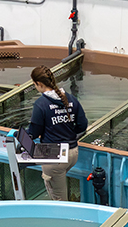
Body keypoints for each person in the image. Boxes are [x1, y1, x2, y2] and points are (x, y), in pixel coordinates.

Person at [27, 65, 87, 201]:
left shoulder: (41, 104)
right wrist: (67, 133)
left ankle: (65, 218)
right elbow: (82, 125)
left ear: (39, 84)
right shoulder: (71, 99)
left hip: (54, 156)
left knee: (59, 199)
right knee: (59, 186)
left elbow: (34, 133)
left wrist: (23, 133)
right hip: (72, 153)